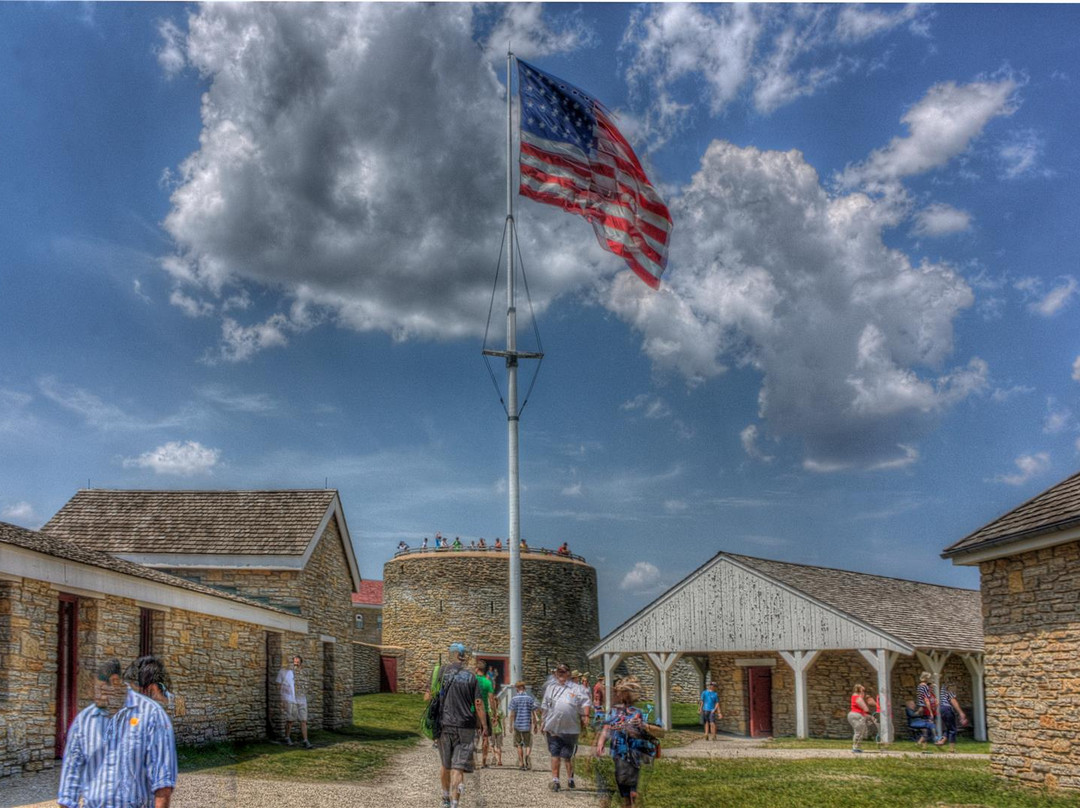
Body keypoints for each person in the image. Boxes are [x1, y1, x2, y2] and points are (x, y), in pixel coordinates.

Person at [58, 658, 178, 808]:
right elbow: (70, 780)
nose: (93, 696)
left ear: (115, 682)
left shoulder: (152, 716)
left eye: (97, 689)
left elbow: (163, 782)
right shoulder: (83, 722)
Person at [594, 676, 664, 808]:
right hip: (619, 757)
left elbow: (661, 732)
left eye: (622, 691)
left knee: (635, 795)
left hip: (640, 758)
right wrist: (601, 742)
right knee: (625, 795)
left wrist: (644, 726)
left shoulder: (645, 710)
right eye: (619, 691)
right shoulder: (615, 711)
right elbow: (607, 727)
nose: (619, 694)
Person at [435, 642, 487, 808]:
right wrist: (484, 724)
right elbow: (478, 703)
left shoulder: (443, 673)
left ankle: (445, 798)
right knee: (458, 767)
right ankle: (455, 803)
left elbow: (434, 695)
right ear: (465, 657)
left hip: (445, 724)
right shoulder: (471, 677)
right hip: (465, 726)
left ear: (452, 655)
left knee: (445, 764)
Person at [542, 663, 590, 791]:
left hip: (571, 728)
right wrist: (542, 722)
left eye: (564, 671)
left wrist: (586, 716)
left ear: (568, 673)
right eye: (559, 671)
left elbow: (585, 702)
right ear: (556, 673)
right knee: (555, 753)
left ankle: (570, 778)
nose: (561, 674)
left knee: (567, 756)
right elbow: (545, 706)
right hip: (553, 726)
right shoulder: (550, 688)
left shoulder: (577, 688)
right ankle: (555, 780)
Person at [277, 655, 313, 748]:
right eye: (294, 660)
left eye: (297, 660)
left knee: (303, 720)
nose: (296, 662)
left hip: (302, 699)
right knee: (290, 720)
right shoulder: (289, 671)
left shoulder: (304, 672)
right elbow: (282, 683)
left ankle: (305, 740)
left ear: (301, 661)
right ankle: (287, 738)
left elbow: (307, 683)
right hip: (292, 699)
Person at [508, 680, 540, 770]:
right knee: (528, 744)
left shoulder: (514, 699)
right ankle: (527, 755)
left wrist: (510, 725)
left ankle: (521, 762)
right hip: (527, 724)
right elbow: (533, 712)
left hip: (517, 724)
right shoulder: (529, 698)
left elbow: (512, 714)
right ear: (524, 688)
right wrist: (535, 725)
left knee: (519, 744)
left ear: (517, 688)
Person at [916, 672, 947, 748]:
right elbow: (926, 700)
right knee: (929, 727)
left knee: (929, 727)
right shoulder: (924, 687)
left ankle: (922, 743)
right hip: (926, 710)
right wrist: (930, 712)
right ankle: (925, 743)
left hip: (926, 709)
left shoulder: (921, 686)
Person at [474, 661, 496, 767]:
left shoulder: (472, 680)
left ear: (476, 669)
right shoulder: (488, 682)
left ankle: (473, 761)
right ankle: (483, 761)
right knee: (485, 737)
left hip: (472, 710)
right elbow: (491, 700)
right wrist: (494, 713)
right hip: (485, 711)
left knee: (473, 737)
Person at [938, 681, 969, 752]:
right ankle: (952, 749)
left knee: (948, 727)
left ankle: (942, 741)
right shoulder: (950, 691)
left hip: (942, 708)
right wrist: (961, 713)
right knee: (953, 729)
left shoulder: (943, 689)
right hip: (947, 709)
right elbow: (953, 701)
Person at [847, 683, 877, 753]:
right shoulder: (858, 698)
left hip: (854, 715)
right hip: (856, 716)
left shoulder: (854, 696)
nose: (864, 693)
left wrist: (869, 716)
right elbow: (865, 709)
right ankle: (855, 748)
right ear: (860, 691)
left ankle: (857, 747)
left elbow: (863, 711)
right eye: (863, 691)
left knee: (859, 731)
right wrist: (872, 705)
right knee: (859, 732)